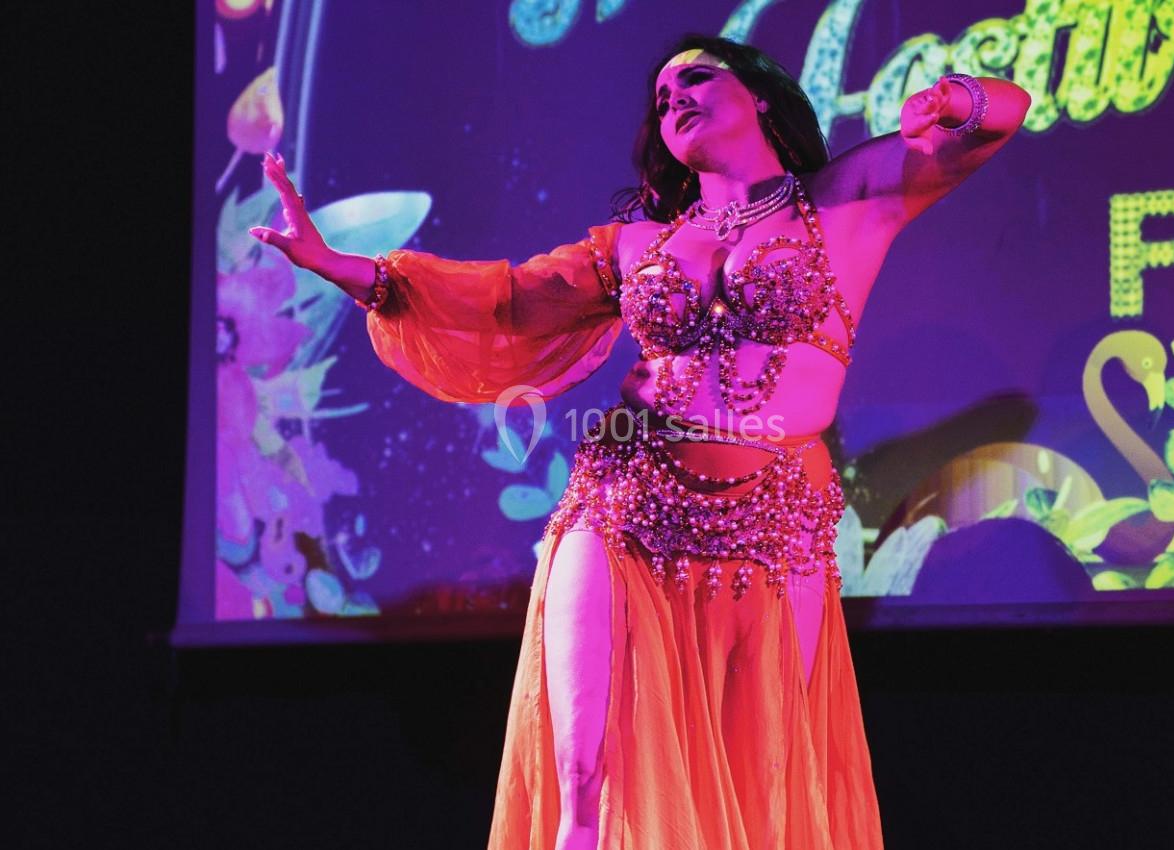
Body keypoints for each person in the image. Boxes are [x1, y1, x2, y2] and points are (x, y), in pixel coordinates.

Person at [251, 33, 1030, 850]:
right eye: (661, 97)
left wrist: (955, 101)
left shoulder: (845, 198)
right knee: (584, 776)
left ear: (760, 96)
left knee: (759, 781)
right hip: (623, 501)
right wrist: (343, 267)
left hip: (775, 519)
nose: (675, 98)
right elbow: (506, 303)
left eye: (696, 78)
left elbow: (1002, 118)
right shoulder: (634, 246)